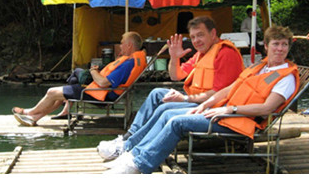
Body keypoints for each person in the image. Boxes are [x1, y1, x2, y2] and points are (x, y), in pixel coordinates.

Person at [104, 25, 299, 174]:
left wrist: (228, 110)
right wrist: (206, 105)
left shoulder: (286, 76)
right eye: (276, 44)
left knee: (176, 121)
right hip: (222, 111)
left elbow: (267, 108)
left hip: (238, 121)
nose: (280, 49)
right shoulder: (259, 67)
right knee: (169, 111)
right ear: (266, 46)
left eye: (284, 45)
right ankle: (133, 152)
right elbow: (229, 89)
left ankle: (139, 164)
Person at [97, 16, 244, 160]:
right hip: (197, 100)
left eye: (200, 35)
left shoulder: (225, 53)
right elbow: (175, 76)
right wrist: (174, 57)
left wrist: (185, 98)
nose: (196, 41)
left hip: (212, 105)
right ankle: (130, 136)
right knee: (156, 93)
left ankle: (129, 145)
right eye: (193, 37)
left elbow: (217, 94)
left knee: (164, 109)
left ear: (213, 33)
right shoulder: (202, 54)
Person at [12, 31, 146, 126]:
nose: (120, 46)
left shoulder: (128, 64)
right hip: (99, 91)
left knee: (52, 92)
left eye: (122, 43)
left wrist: (93, 71)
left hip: (100, 95)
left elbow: (103, 82)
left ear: (129, 46)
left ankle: (30, 113)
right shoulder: (132, 60)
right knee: (67, 85)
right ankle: (36, 116)